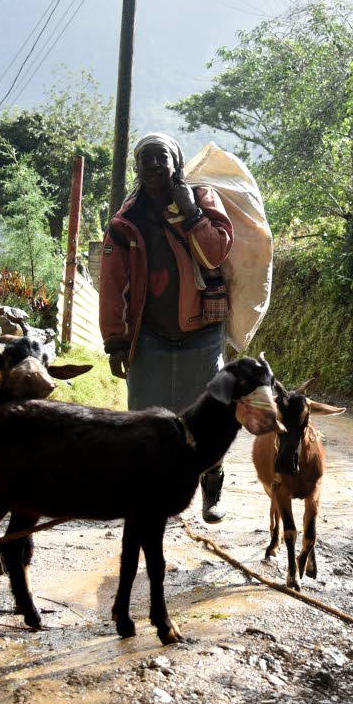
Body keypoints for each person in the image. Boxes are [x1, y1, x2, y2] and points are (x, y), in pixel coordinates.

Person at [99, 133, 234, 523]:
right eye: (146, 160)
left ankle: (212, 487)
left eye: (162, 158)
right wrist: (115, 341)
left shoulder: (203, 198)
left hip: (203, 334)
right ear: (137, 168)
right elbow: (112, 283)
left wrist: (191, 213)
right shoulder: (127, 220)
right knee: (142, 423)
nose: (155, 165)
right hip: (150, 337)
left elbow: (216, 252)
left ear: (176, 163)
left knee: (211, 421)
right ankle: (144, 497)